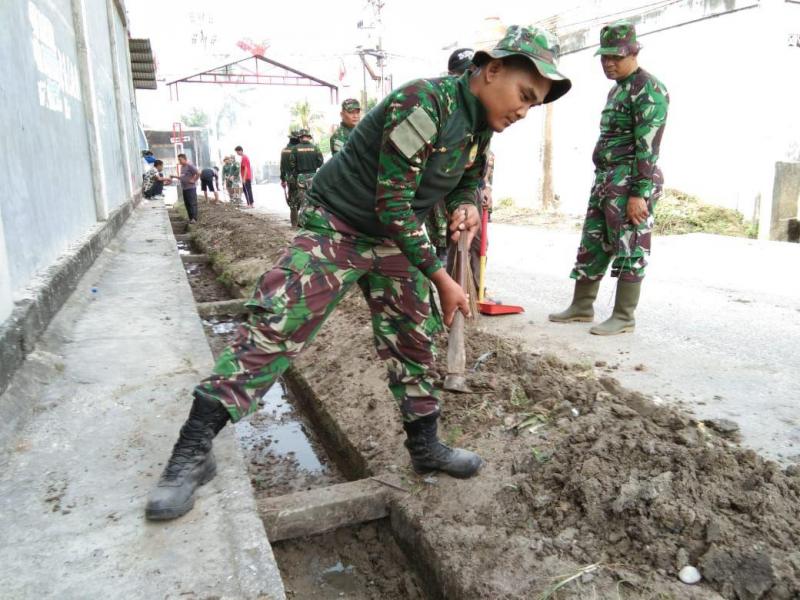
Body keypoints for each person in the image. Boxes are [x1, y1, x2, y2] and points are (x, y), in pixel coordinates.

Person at [145, 25, 571, 521]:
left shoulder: (480, 127)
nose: (523, 110)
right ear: (491, 69)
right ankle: (191, 454)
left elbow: (469, 179)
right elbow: (391, 203)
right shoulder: (424, 102)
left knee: (414, 338)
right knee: (276, 326)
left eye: (533, 105)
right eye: (523, 95)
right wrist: (442, 277)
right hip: (339, 225)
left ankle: (426, 446)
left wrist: (464, 205)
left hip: (392, 238)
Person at [549, 20, 669, 335]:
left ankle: (624, 316)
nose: (609, 63)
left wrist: (638, 193)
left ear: (633, 52)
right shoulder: (618, 90)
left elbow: (648, 146)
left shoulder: (649, 89)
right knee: (593, 241)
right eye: (605, 57)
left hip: (631, 179)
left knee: (631, 244)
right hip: (607, 178)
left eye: (616, 57)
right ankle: (581, 306)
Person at [287, 129, 323, 227]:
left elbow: (291, 164)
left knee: (303, 200)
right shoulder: (315, 148)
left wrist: (297, 173)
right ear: (308, 137)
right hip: (313, 176)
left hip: (301, 176)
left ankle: (302, 223)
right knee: (313, 199)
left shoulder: (295, 148)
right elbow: (321, 162)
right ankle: (314, 223)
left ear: (300, 137)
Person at [170, 153, 200, 224]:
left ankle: (194, 219)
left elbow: (198, 172)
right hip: (184, 188)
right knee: (187, 204)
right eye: (178, 160)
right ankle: (190, 218)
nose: (179, 161)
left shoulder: (189, 165)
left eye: (180, 160)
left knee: (192, 203)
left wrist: (194, 180)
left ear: (184, 159)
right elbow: (182, 177)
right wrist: (174, 176)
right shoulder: (182, 167)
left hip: (191, 188)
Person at [280, 129, 300, 219]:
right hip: (300, 177)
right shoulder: (297, 150)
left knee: (292, 199)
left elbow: (282, 167)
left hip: (289, 178)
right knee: (302, 198)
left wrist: (283, 179)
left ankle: (294, 221)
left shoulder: (284, 150)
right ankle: (300, 220)